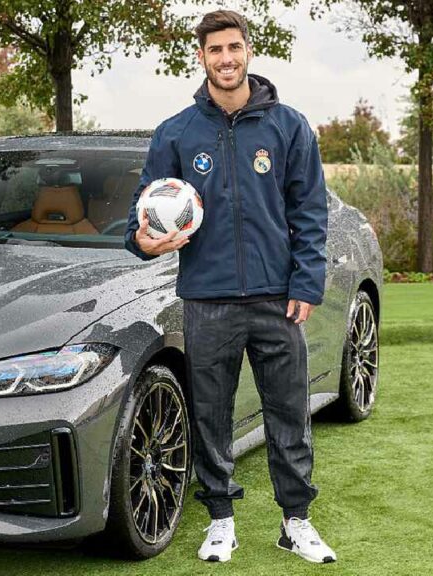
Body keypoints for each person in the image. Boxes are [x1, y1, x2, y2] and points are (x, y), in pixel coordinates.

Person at [123, 9, 336, 565]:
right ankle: (221, 520)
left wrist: (306, 282)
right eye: (215, 50)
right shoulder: (176, 133)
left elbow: (309, 211)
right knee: (211, 416)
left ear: (248, 51)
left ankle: (296, 521)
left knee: (288, 413)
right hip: (208, 301)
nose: (226, 58)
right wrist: (145, 241)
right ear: (202, 57)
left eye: (234, 47)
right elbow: (142, 216)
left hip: (276, 299)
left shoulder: (288, 126)